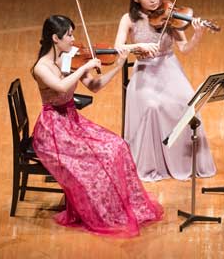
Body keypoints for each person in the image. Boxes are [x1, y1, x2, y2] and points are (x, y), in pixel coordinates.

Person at [31, 15, 163, 237]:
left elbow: (94, 86)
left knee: (117, 145)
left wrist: (119, 64)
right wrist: (84, 68)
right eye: (69, 35)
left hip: (71, 121)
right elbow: (62, 88)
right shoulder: (41, 68)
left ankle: (118, 206)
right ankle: (98, 211)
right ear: (55, 38)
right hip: (53, 129)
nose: (73, 40)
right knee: (99, 156)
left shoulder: (68, 59)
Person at [114, 0, 216, 182]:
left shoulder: (169, 15)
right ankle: (153, 164)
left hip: (169, 68)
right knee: (152, 106)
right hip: (144, 72)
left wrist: (197, 34)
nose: (153, 0)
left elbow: (185, 48)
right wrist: (137, 46)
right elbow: (118, 47)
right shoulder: (129, 19)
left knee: (189, 104)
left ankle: (184, 161)